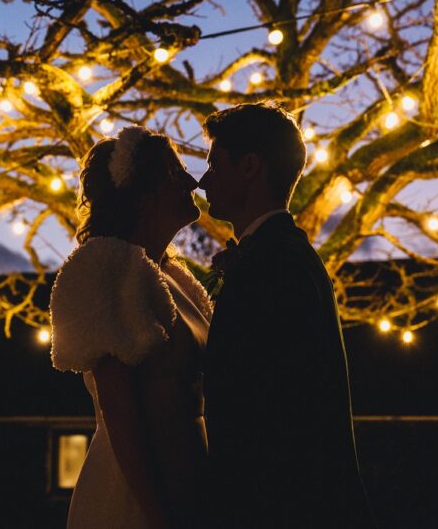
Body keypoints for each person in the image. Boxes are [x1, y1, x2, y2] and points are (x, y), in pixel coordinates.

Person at [199, 103, 370, 527]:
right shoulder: (279, 255)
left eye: (215, 164)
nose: (203, 180)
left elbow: (270, 408)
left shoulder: (275, 264)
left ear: (250, 167)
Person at [50, 126, 213, 529]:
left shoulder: (172, 275)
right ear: (145, 196)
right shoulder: (104, 267)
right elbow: (119, 409)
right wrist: (157, 518)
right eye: (177, 175)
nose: (193, 181)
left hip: (191, 480)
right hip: (137, 492)